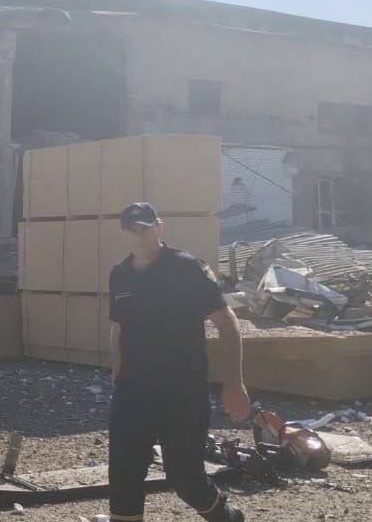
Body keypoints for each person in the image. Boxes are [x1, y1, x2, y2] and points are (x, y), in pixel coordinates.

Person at [107, 203, 250, 522]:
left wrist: (233, 383)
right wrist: (118, 375)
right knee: (123, 473)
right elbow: (117, 329)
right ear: (125, 233)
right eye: (132, 229)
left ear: (159, 227)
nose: (139, 235)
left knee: (185, 476)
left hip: (182, 390)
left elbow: (227, 323)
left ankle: (226, 516)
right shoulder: (120, 274)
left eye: (145, 228)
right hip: (133, 390)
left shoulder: (186, 268)